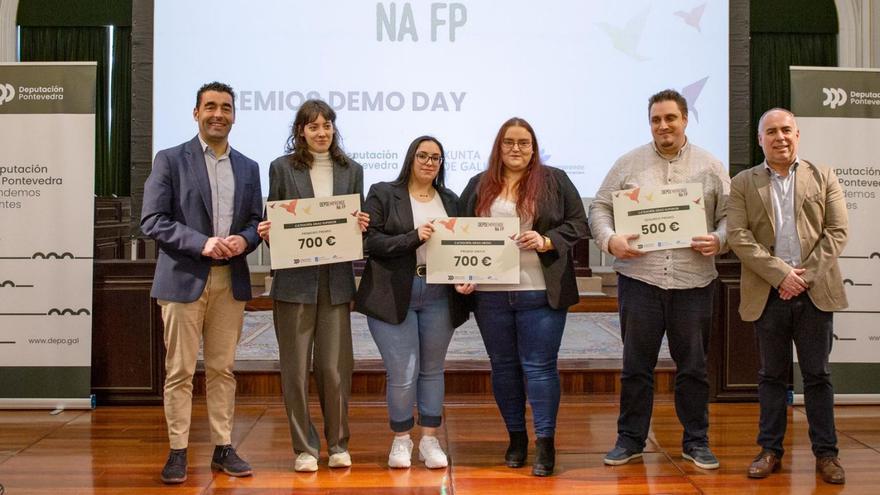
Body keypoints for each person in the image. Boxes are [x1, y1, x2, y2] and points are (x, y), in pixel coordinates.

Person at [589, 89, 728, 470]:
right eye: (656, 119)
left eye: (670, 118)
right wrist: (609, 239)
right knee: (636, 366)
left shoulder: (711, 166)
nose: (663, 125)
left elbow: (731, 216)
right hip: (640, 280)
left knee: (694, 369)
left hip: (693, 282)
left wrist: (719, 238)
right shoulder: (627, 164)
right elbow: (600, 207)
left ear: (685, 119)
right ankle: (630, 440)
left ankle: (696, 442)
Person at [141, 81, 262, 484]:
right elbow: (152, 220)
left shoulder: (248, 167)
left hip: (231, 281)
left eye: (226, 108)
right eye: (210, 106)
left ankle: (223, 447)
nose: (218, 114)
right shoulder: (170, 160)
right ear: (196, 113)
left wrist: (243, 239)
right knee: (179, 372)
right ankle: (177, 450)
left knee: (223, 369)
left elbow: (253, 224)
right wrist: (203, 243)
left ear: (234, 116)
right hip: (182, 280)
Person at [458, 117, 588, 477]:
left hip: (539, 291)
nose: (516, 149)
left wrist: (546, 241)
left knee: (540, 367)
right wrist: (462, 273)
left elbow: (579, 223)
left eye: (524, 142)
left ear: (534, 147)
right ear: (499, 147)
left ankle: (545, 442)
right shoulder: (478, 185)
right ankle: (515, 437)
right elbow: (460, 235)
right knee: (503, 367)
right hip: (490, 295)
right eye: (509, 142)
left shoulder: (555, 180)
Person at [727, 108, 848, 485]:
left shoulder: (823, 175)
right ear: (760, 139)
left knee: (818, 376)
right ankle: (770, 451)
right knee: (771, 377)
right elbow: (738, 236)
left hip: (815, 293)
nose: (779, 137)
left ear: (798, 134)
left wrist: (804, 277)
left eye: (786, 130)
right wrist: (781, 274)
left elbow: (838, 232)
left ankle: (826, 454)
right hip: (769, 292)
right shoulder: (743, 183)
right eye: (771, 132)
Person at [256, 99, 369, 472]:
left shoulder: (351, 170)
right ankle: (304, 447)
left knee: (335, 367)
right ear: (301, 131)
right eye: (313, 126)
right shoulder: (282, 168)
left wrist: (361, 225)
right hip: (294, 282)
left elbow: (353, 223)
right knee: (294, 367)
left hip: (336, 281)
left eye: (327, 125)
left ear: (334, 129)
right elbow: (276, 219)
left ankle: (338, 444)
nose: (321, 132)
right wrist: (270, 233)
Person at [355, 136, 469, 469]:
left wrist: (467, 274)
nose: (429, 162)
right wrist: (413, 237)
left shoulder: (450, 199)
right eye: (423, 155)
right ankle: (402, 440)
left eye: (436, 157)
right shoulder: (383, 192)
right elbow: (370, 241)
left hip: (439, 292)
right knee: (403, 373)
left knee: (433, 371)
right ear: (411, 158)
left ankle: (430, 440)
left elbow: (463, 244)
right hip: (392, 293)